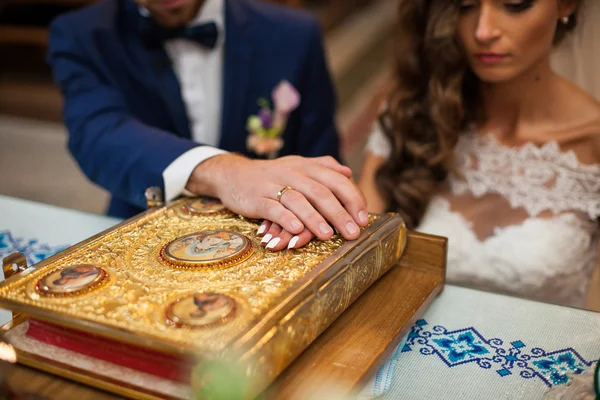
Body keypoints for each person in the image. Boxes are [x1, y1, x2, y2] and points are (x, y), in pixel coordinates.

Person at [48, 0, 368, 243]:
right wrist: (226, 172)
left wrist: (305, 211)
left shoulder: (294, 34)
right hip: (142, 225)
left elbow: (318, 154)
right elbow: (97, 132)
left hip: (264, 238)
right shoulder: (81, 34)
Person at [357, 0, 599, 308]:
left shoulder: (592, 141)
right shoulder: (414, 114)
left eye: (514, 5)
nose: (483, 31)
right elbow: (356, 252)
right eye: (466, 6)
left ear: (565, 5)